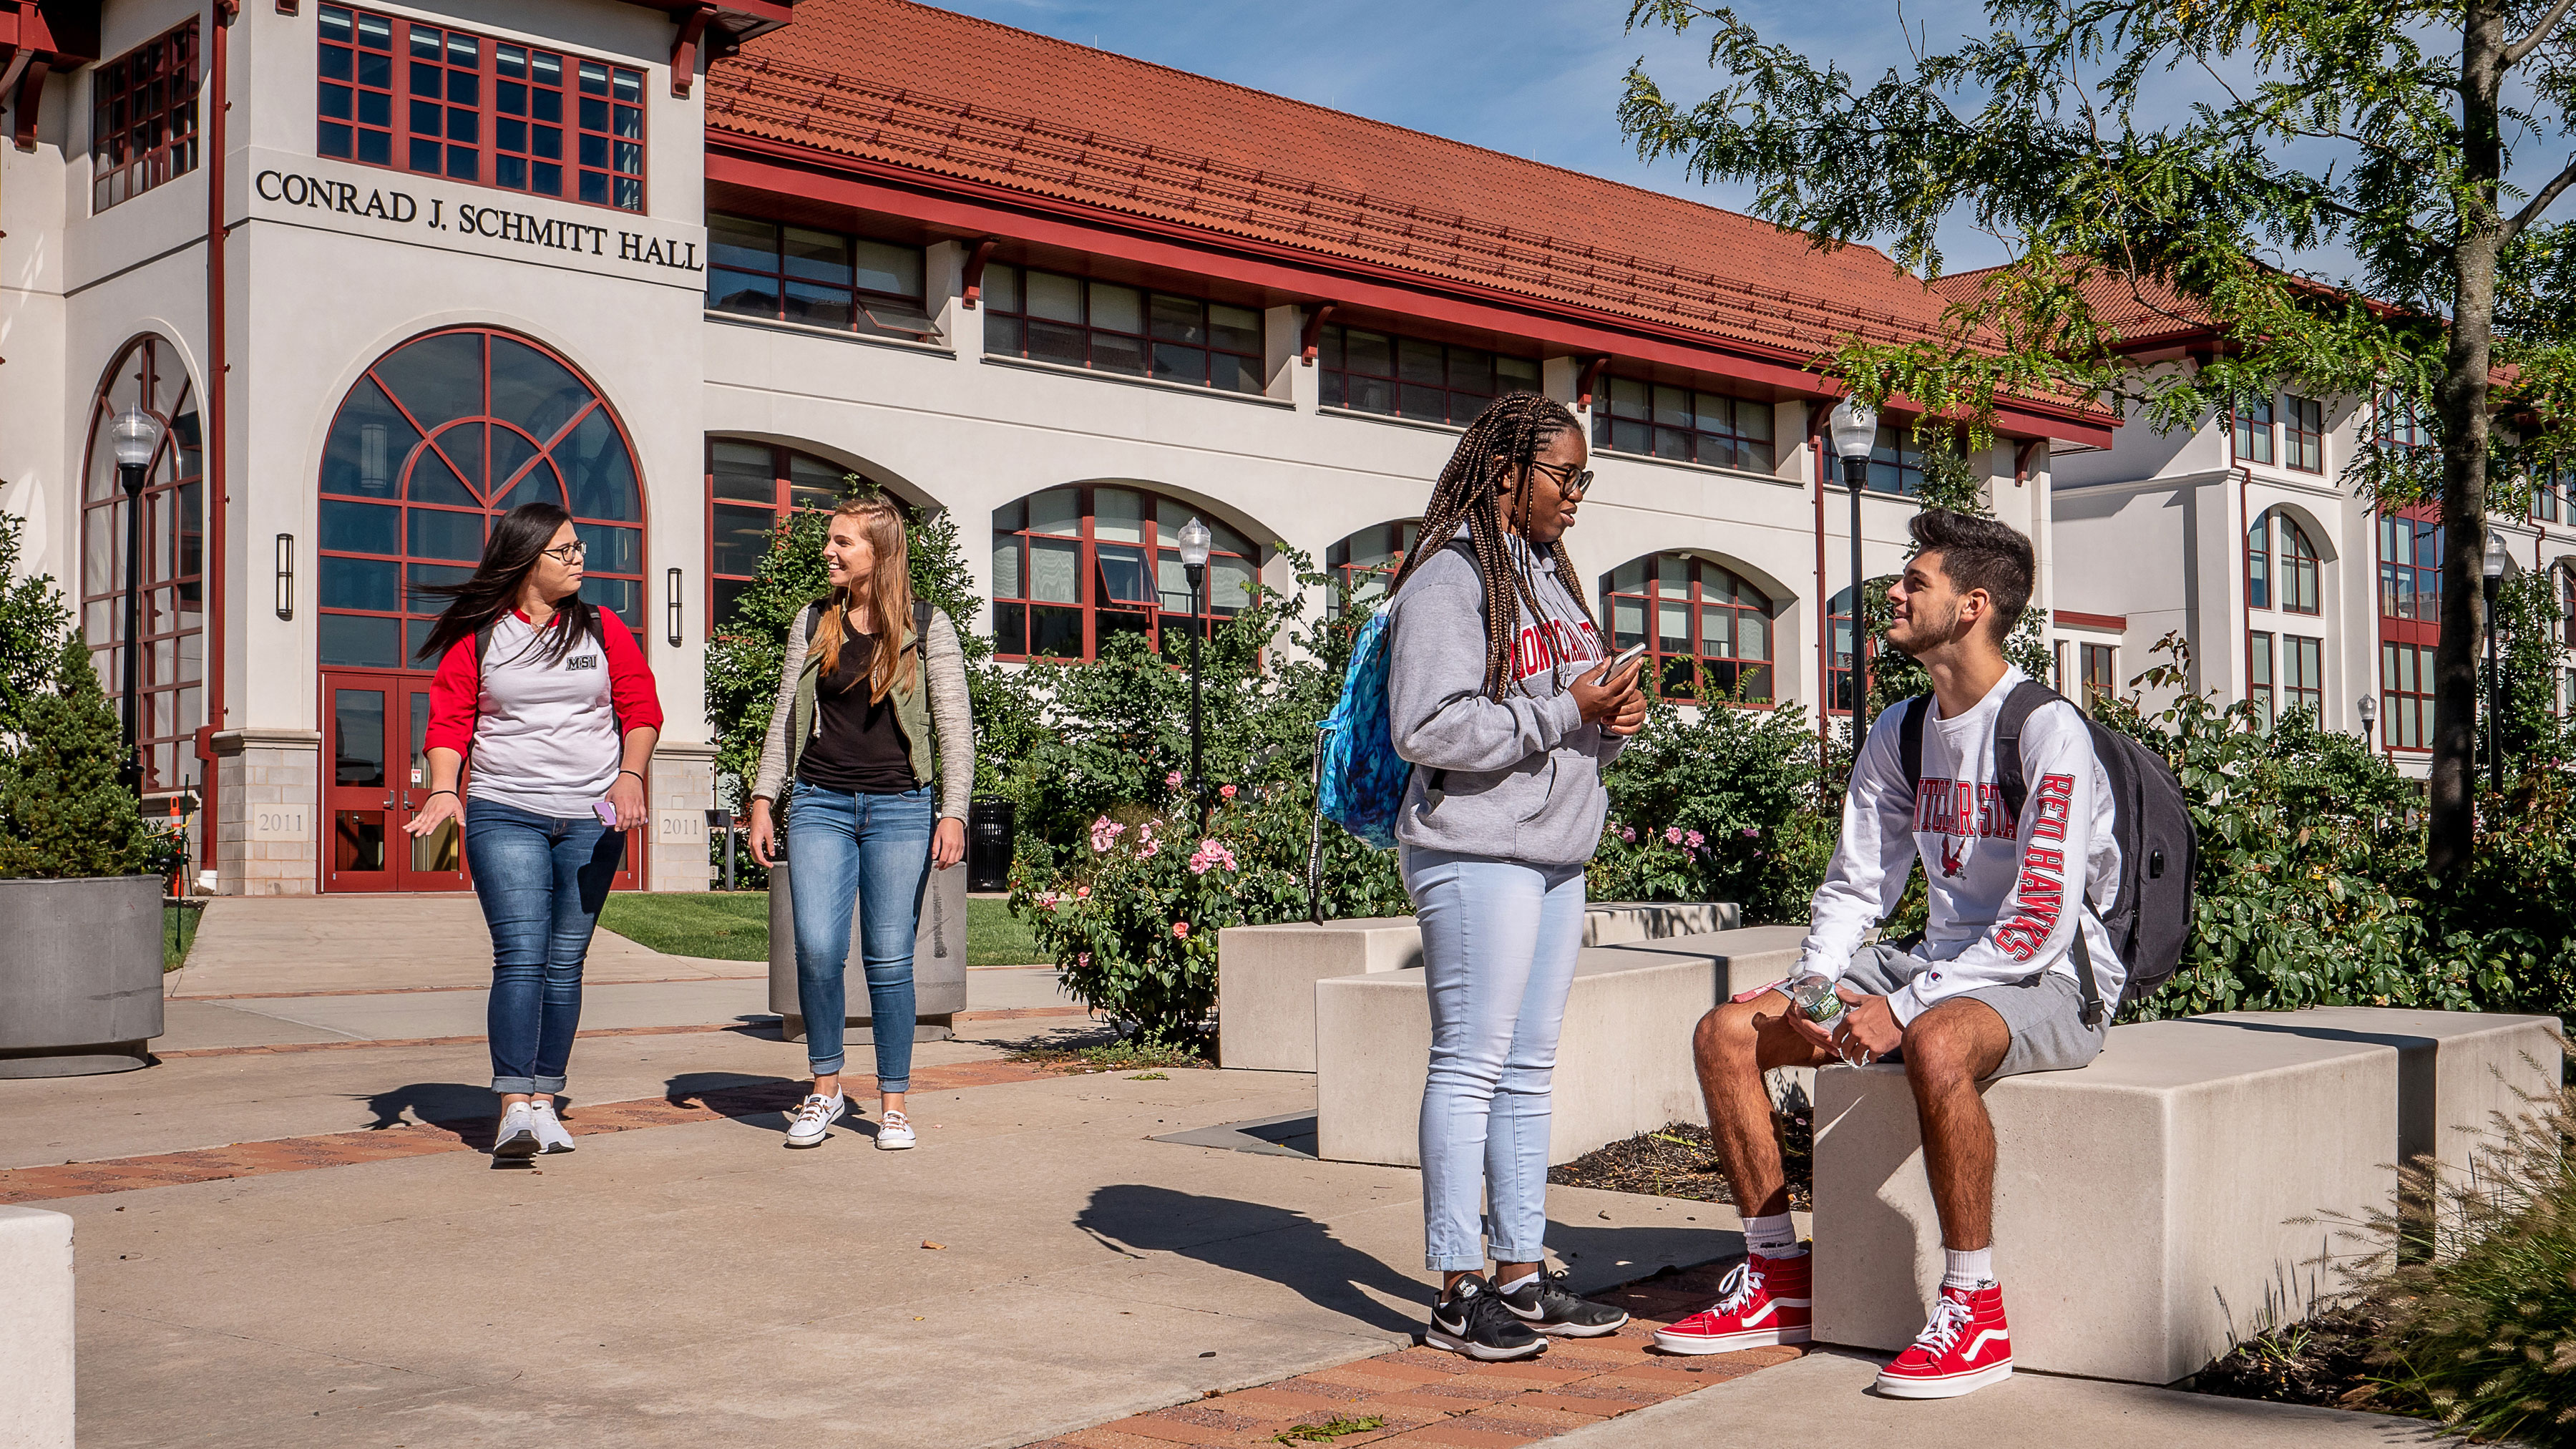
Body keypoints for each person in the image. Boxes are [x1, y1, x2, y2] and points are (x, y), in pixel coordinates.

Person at [1654, 509, 2120, 1399]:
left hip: (2055, 979)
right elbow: (1856, 886)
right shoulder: (1902, 729)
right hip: (1941, 960)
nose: (1893, 596)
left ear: (1972, 606)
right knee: (1729, 1033)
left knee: (1938, 1042)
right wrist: (1818, 984)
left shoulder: (2047, 729)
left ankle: (1974, 1310)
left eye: (1915, 583)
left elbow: (2038, 922)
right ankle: (1778, 1278)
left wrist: (1903, 1011)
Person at [1382, 392, 1650, 1361]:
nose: (1577, 496)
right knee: (1470, 1064)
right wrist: (1563, 712)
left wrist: (1609, 721)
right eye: (1564, 477)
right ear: (1506, 472)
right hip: (1475, 848)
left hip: (1553, 852)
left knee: (1528, 1073)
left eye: (1585, 479)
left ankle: (1519, 1273)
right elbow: (1430, 726)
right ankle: (1456, 1293)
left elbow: (1565, 709)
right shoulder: (1449, 580)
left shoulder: (1549, 575)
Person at [406, 502, 664, 1163]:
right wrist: (443, 789)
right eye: (565, 551)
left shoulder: (604, 630)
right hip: (505, 810)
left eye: (580, 547)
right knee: (522, 954)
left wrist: (630, 775)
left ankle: (547, 1100)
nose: (580, 559)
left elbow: (641, 707)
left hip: (591, 819)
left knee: (565, 960)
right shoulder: (483, 634)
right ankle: (513, 1106)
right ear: (526, 560)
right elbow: (448, 722)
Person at [746, 496, 972, 1151]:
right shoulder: (814, 620)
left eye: (843, 542)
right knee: (816, 946)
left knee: (888, 956)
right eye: (830, 540)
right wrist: (765, 798)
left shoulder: (930, 628)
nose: (829, 551)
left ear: (879, 551)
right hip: (820, 801)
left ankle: (893, 1101)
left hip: (901, 807)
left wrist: (953, 808)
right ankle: (825, 1086)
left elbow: (956, 729)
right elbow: (786, 717)